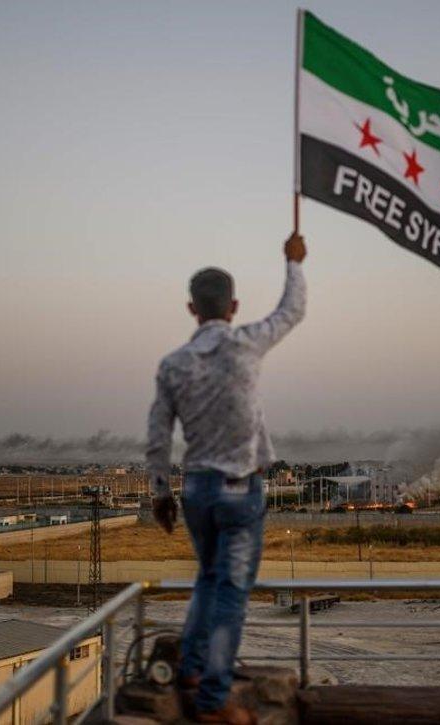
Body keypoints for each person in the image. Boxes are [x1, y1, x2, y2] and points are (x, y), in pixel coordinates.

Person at [146, 231, 307, 724]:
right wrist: (294, 262)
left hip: (196, 490)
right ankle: (213, 703)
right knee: (231, 595)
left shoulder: (173, 364)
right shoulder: (246, 344)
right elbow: (292, 311)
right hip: (239, 490)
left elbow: (157, 437)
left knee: (207, 578)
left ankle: (192, 669)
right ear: (233, 306)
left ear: (191, 308)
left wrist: (159, 492)